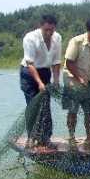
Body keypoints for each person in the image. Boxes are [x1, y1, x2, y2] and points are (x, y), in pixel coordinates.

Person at [62, 16, 90, 148]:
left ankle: (89, 137)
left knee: (89, 112)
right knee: (72, 111)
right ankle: (71, 136)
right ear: (89, 31)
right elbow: (69, 63)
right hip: (72, 82)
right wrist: (80, 78)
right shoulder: (76, 42)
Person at [20, 14, 62, 148]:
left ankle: (45, 138)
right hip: (29, 72)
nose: (49, 32)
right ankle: (31, 137)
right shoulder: (30, 38)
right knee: (33, 105)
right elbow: (30, 63)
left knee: (45, 105)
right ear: (41, 27)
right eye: (46, 30)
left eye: (52, 29)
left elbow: (56, 62)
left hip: (45, 71)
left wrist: (55, 81)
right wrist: (39, 83)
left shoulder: (57, 38)